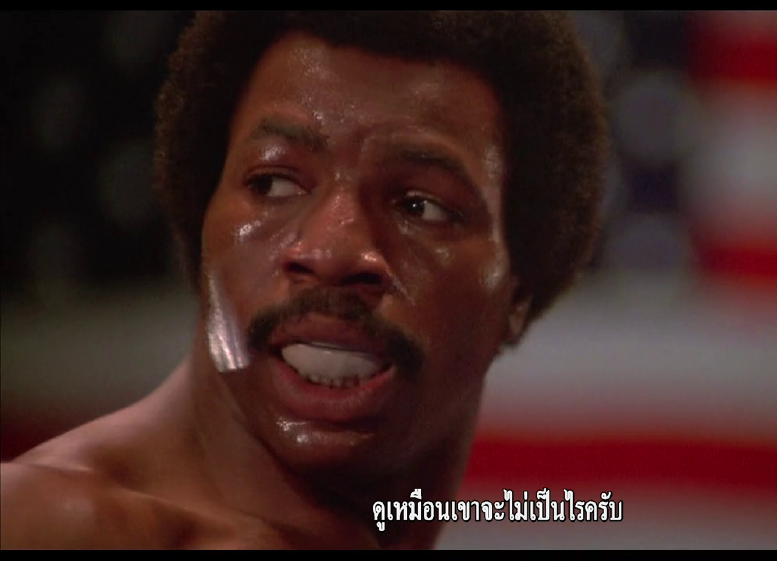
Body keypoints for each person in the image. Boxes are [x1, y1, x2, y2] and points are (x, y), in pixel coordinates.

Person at [1, 11, 607, 549]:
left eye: (420, 206)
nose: (332, 251)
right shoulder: (42, 527)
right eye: (274, 183)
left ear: (519, 290)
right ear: (200, 220)